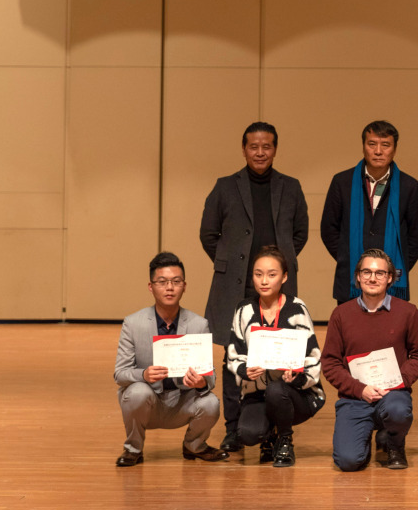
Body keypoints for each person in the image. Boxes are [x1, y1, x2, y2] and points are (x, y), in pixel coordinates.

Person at [200, 122, 310, 451]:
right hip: (234, 288)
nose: (260, 152)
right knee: (233, 357)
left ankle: (272, 427)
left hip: (276, 289)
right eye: (253, 146)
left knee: (278, 355)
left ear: (275, 149)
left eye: (266, 146)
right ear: (244, 149)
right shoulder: (224, 187)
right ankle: (233, 428)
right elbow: (208, 234)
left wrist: (276, 269)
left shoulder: (291, 187)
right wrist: (232, 264)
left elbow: (300, 233)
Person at [319, 248, 418, 471]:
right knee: (349, 461)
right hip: (355, 397)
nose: (372, 278)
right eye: (367, 272)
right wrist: (359, 389)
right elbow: (330, 363)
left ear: (390, 278)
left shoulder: (407, 312)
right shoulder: (341, 314)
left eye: (380, 273)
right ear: (358, 276)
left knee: (398, 410)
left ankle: (394, 442)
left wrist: (398, 381)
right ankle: (366, 437)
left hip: (393, 394)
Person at [113, 252, 227, 466]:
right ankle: (133, 449)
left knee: (211, 403)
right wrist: (144, 374)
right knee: (136, 392)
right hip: (149, 401)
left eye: (176, 281)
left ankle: (194, 446)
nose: (170, 288)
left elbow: (210, 376)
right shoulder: (133, 323)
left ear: (184, 286)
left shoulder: (198, 324)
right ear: (151, 286)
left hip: (183, 401)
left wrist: (201, 382)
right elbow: (120, 374)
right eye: (162, 282)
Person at [225, 245, 325, 467]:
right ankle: (268, 435)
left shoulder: (297, 308)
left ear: (284, 277)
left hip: (294, 393)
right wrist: (244, 370)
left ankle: (285, 439)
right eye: (258, 274)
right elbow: (233, 354)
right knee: (248, 434)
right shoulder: (244, 310)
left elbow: (313, 358)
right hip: (257, 393)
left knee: (276, 390)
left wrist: (297, 375)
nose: (264, 281)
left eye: (272, 275)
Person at [320, 120, 418, 306]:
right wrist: (349, 258)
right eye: (372, 144)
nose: (378, 151)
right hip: (350, 281)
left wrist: (390, 269)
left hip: (393, 283)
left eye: (385, 145)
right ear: (363, 147)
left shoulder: (410, 186)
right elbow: (329, 230)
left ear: (394, 149)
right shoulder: (342, 182)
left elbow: (417, 237)